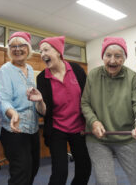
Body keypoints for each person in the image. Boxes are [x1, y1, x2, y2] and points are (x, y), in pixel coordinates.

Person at [81, 37, 136, 185]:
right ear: (103, 56)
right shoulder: (93, 75)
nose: (112, 60)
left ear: (124, 58)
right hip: (97, 139)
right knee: (105, 182)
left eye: (118, 56)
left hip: (126, 138)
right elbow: (85, 103)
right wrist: (93, 122)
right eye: (108, 55)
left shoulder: (133, 78)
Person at [37, 36, 91, 185]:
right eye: (41, 51)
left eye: (46, 50)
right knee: (60, 172)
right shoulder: (42, 78)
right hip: (56, 129)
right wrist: (40, 101)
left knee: (85, 168)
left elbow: (88, 97)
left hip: (79, 128)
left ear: (58, 52)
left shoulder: (76, 70)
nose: (42, 54)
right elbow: (43, 112)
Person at [0, 32, 46, 185]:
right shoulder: (5, 69)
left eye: (21, 45)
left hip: (32, 127)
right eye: (13, 46)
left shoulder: (30, 69)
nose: (17, 49)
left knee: (34, 167)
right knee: (21, 172)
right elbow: (3, 99)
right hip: (14, 129)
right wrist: (13, 114)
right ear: (9, 50)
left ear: (28, 48)